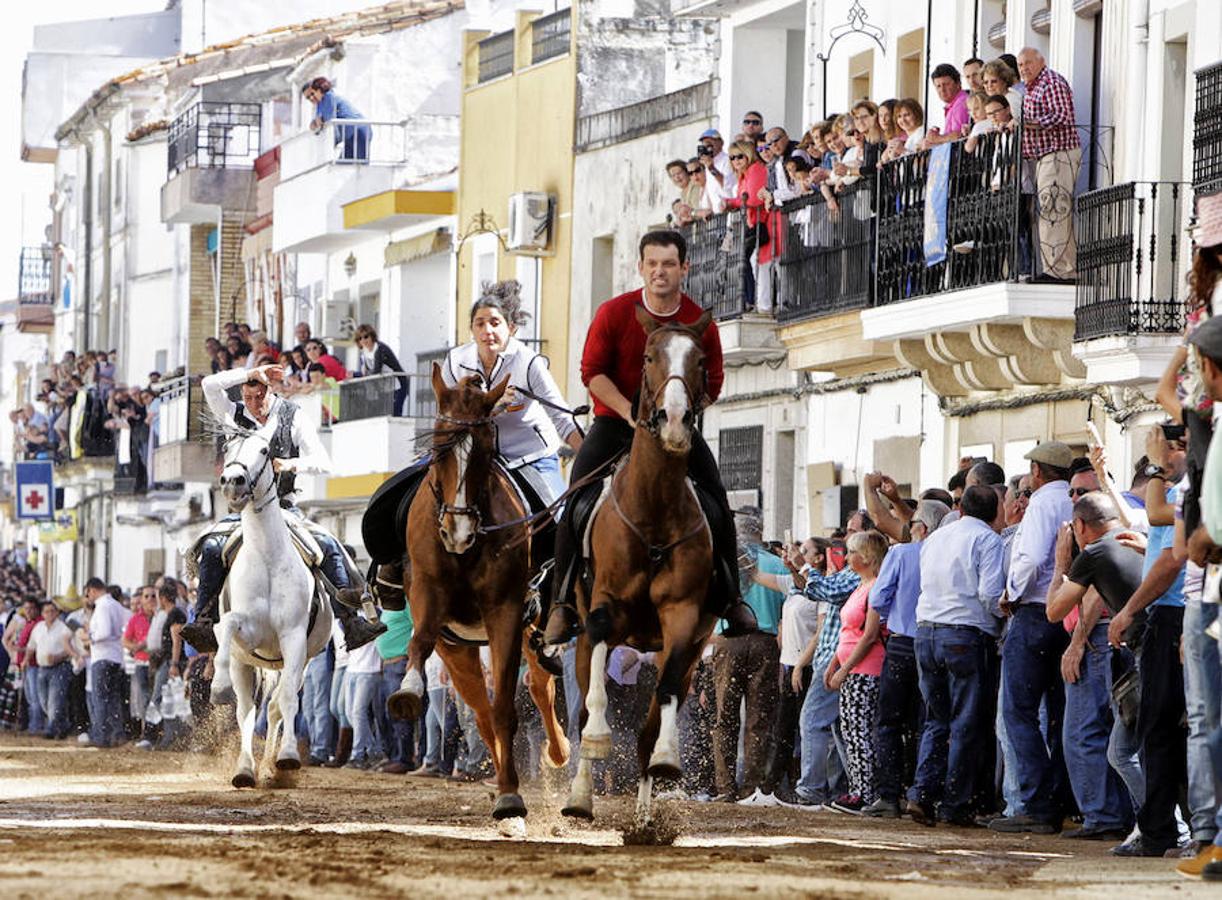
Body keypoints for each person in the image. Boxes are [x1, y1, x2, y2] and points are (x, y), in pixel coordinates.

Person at [544, 230, 759, 645]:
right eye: (653, 264)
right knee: (576, 500)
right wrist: (630, 413)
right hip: (616, 422)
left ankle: (732, 598)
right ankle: (561, 603)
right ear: (640, 267)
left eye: (669, 264)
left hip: (676, 426)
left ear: (684, 268)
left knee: (716, 499)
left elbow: (712, 381)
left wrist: (681, 412)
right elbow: (592, 373)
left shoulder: (700, 322)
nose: (660, 272)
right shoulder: (614, 312)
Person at [181, 363, 385, 654]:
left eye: (260, 398)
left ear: (270, 391)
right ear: (242, 392)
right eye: (249, 398)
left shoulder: (293, 415)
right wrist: (250, 371)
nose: (255, 406)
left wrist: (292, 464)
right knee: (213, 548)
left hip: (285, 507)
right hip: (242, 511)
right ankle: (203, 618)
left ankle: (350, 621)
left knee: (327, 546)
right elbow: (210, 385)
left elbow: (324, 462)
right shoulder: (232, 414)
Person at [1105, 425, 1190, 857]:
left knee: (1163, 728)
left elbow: (1172, 558)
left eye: (1168, 450)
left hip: (1175, 616)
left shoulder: (1184, 490)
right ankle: (1163, 830)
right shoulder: (1179, 494)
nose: (1160, 460)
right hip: (1171, 615)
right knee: (1163, 729)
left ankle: (1164, 832)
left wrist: (1128, 609)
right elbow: (1160, 532)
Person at [1045, 491, 1143, 841]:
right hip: (1153, 647)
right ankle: (1153, 825)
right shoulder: (1140, 538)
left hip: (1132, 649)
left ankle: (1155, 826)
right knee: (1139, 743)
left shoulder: (1095, 551)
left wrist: (1060, 564)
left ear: (1081, 526)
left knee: (1110, 744)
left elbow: (1054, 611)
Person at [908, 486, 1006, 826]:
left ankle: (922, 793)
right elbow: (989, 594)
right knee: (966, 722)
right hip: (964, 634)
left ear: (960, 508)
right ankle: (954, 803)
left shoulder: (936, 538)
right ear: (996, 513)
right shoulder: (988, 540)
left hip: (927, 631)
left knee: (936, 718)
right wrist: (1003, 617)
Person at [990, 441, 1075, 834]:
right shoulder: (1074, 499)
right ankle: (1057, 798)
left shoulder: (1042, 503)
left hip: (1035, 609)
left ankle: (1037, 805)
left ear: (1038, 472)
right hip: (1065, 611)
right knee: (1058, 713)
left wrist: (1012, 593)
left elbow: (1031, 557)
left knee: (1018, 711)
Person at [865, 497, 951, 817]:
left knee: (888, 721)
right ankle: (921, 791)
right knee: (926, 722)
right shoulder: (944, 553)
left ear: (921, 527)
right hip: (934, 642)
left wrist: (895, 616)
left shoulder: (902, 553)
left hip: (902, 644)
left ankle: (889, 795)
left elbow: (878, 597)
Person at [711, 508, 785, 803]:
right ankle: (751, 786)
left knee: (724, 717)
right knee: (759, 718)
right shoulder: (777, 563)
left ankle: (725, 787)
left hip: (729, 642)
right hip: (766, 643)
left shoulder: (723, 564)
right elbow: (785, 609)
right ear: (760, 531)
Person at [822, 529, 888, 814]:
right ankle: (858, 788)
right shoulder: (861, 586)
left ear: (867, 556)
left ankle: (865, 791)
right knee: (850, 730)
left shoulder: (875, 587)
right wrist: (834, 665)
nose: (847, 557)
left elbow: (870, 634)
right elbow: (848, 633)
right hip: (852, 667)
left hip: (866, 669)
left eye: (852, 552)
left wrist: (844, 668)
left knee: (859, 730)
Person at [1017, 47, 1081, 283]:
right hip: (1045, 156)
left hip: (1059, 154)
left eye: (1028, 63)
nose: (1024, 68)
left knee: (1053, 209)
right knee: (1050, 210)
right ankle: (1061, 268)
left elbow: (1060, 116)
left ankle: (1059, 271)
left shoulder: (1050, 82)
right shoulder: (1031, 88)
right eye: (1020, 65)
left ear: (1041, 61)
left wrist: (1027, 124)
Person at [85, 578, 129, 748]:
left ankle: (101, 736)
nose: (88, 596)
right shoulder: (116, 605)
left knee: (100, 698)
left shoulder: (102, 606)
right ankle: (117, 734)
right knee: (113, 698)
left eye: (88, 593)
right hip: (116, 656)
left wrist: (90, 637)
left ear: (92, 590)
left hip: (102, 656)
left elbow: (103, 631)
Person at [25, 601, 76, 739]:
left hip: (60, 667)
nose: (50, 614)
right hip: (42, 667)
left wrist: (59, 656)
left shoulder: (64, 627)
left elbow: (72, 648)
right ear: (42, 614)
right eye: (47, 612)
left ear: (57, 613)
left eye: (52, 611)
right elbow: (31, 646)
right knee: (43, 701)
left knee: (55, 700)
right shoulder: (38, 627)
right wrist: (25, 660)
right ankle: (63, 725)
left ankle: (51, 729)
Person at [303, 77, 371, 162]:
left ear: (319, 90)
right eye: (308, 97)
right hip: (348, 136)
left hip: (358, 129)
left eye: (312, 94)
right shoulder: (319, 105)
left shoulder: (328, 96)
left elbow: (329, 120)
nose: (311, 98)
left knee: (360, 165)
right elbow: (317, 125)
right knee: (342, 166)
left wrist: (331, 144)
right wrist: (314, 124)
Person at [354, 324, 408, 417]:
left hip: (398, 384)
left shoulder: (380, 349)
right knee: (384, 413)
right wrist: (354, 374)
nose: (363, 340)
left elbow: (376, 371)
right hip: (385, 386)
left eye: (366, 337)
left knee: (395, 413)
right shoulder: (364, 354)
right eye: (360, 338)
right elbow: (364, 373)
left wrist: (361, 374)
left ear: (372, 336)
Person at [924, 63, 971, 147]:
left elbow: (959, 135)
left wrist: (936, 139)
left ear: (958, 84)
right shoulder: (953, 104)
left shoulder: (961, 103)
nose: (942, 89)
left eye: (946, 84)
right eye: (938, 86)